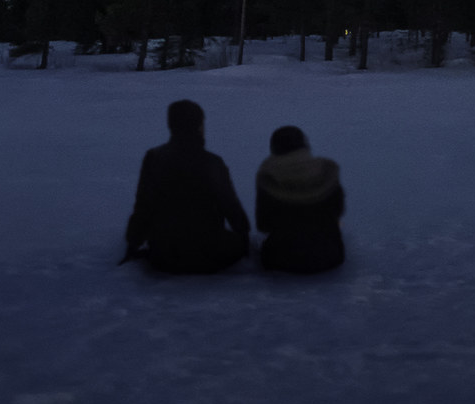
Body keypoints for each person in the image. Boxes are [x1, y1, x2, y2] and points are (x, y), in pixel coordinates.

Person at [121, 98, 250, 273]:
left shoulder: (154, 158)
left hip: (164, 256)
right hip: (211, 254)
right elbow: (229, 204)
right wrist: (243, 237)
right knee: (233, 244)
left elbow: (144, 205)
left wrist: (133, 243)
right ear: (198, 126)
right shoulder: (212, 162)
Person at [253, 124, 346, 275]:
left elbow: (263, 224)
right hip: (330, 256)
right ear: (304, 145)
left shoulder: (267, 177)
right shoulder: (327, 171)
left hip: (280, 259)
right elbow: (338, 209)